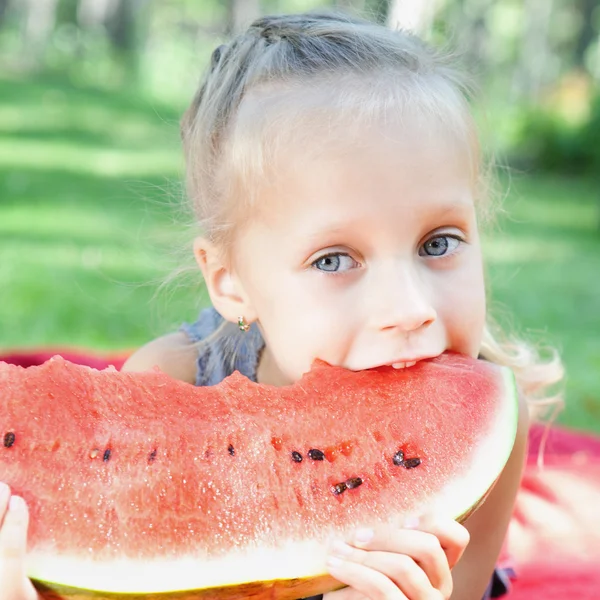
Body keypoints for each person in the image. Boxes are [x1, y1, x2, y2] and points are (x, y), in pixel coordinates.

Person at [0, 11, 563, 600]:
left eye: (438, 243)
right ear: (230, 282)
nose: (408, 307)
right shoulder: (169, 385)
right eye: (334, 259)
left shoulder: (493, 422)